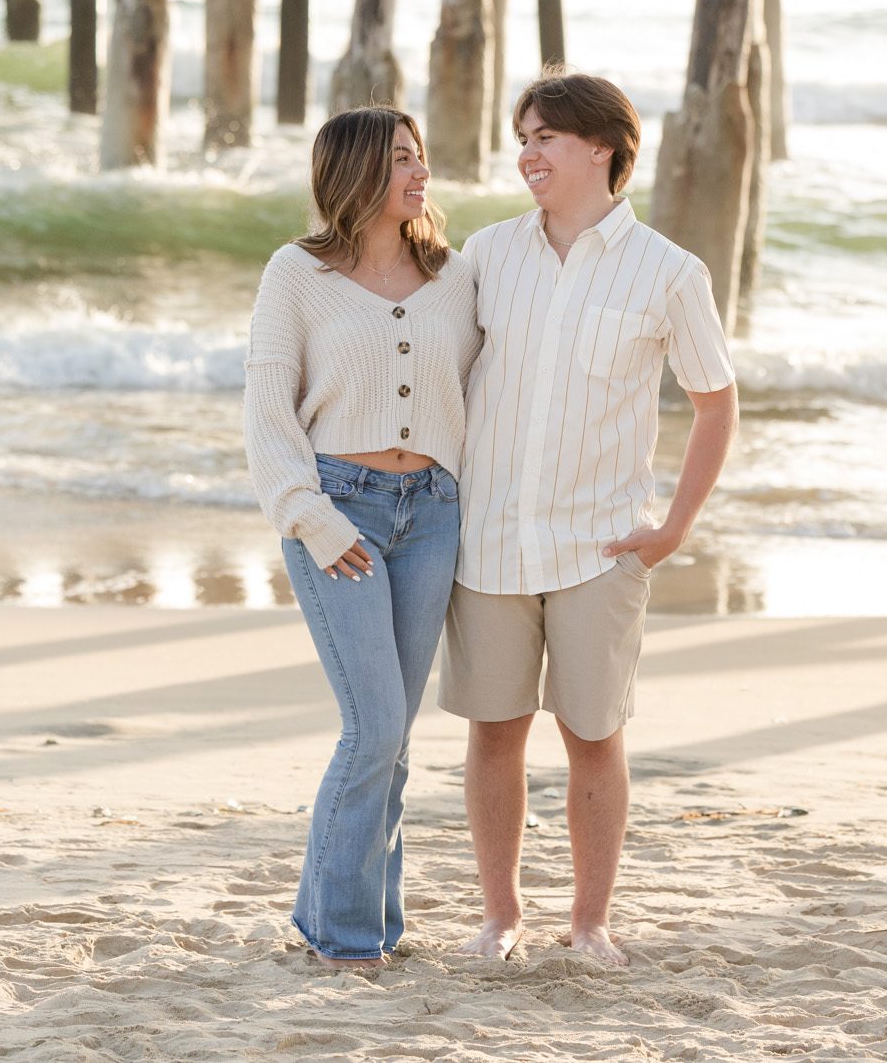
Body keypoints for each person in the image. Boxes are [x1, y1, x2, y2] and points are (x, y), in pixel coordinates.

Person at [441, 69, 739, 964]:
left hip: (600, 544)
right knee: (494, 731)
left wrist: (674, 526)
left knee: (593, 736)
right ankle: (500, 917)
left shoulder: (671, 273)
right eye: (523, 136)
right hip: (488, 539)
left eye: (545, 137)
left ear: (602, 146)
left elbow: (716, 402)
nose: (527, 152)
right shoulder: (487, 254)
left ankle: (590, 924)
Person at [243, 106, 480, 966]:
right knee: (373, 725)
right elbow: (268, 409)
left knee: (396, 733)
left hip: (433, 515)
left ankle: (366, 921)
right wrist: (308, 515)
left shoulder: (456, 275)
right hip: (338, 510)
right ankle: (344, 938)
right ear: (353, 176)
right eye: (399, 163)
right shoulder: (295, 273)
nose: (420, 174)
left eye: (421, 157)